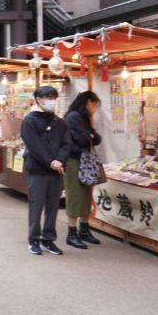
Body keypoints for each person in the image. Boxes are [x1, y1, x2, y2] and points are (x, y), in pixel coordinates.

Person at [21, 85, 72, 256]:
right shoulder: (29, 120)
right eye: (48, 98)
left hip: (55, 171)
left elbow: (67, 143)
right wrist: (51, 162)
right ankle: (33, 239)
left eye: (53, 98)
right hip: (38, 170)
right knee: (36, 206)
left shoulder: (59, 121)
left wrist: (59, 160)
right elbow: (34, 146)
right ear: (38, 100)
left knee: (53, 206)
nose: (52, 101)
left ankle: (48, 240)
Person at [63, 91, 103, 249]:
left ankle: (84, 230)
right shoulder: (74, 117)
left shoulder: (83, 118)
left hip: (85, 161)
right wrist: (90, 136)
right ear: (88, 102)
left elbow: (96, 139)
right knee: (75, 195)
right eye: (94, 105)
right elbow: (83, 139)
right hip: (74, 161)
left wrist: (90, 136)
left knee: (86, 195)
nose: (95, 109)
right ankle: (71, 233)